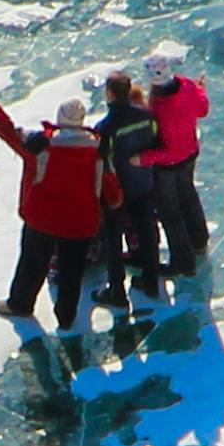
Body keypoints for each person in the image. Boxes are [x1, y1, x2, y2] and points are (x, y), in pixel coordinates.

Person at [0, 88, 113, 331]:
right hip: (80, 223)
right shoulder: (97, 150)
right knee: (71, 273)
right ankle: (66, 318)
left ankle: (20, 304)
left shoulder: (41, 145)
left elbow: (10, 133)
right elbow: (108, 186)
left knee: (32, 262)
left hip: (42, 219)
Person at [134, 43, 213, 288]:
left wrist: (142, 158)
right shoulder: (187, 85)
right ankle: (199, 241)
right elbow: (202, 110)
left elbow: (166, 150)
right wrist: (200, 89)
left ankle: (183, 263)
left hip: (168, 165)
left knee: (170, 212)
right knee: (189, 196)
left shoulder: (158, 107)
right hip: (190, 154)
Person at [94, 70, 165, 315]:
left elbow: (101, 160)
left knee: (114, 240)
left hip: (118, 190)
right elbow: (155, 141)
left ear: (110, 93)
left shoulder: (105, 127)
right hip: (143, 183)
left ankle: (117, 292)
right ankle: (152, 281)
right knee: (147, 231)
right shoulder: (147, 117)